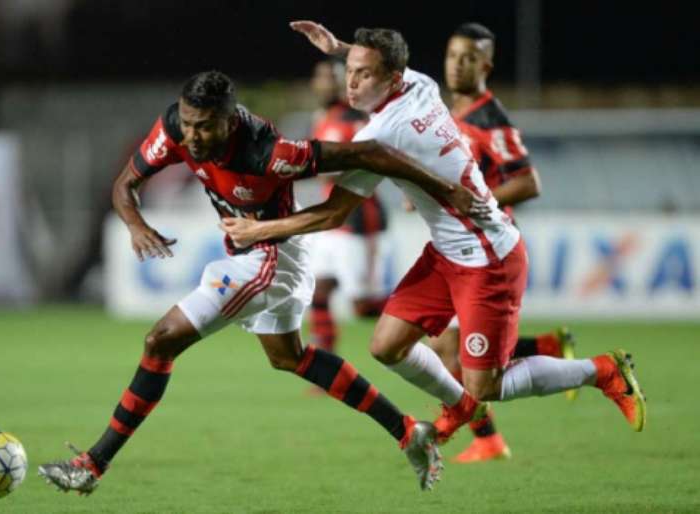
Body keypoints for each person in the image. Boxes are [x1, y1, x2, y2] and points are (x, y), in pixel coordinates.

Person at [37, 70, 486, 494]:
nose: (193, 138)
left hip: (271, 256)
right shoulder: (177, 126)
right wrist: (136, 225)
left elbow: (371, 155)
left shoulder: (269, 153)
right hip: (251, 253)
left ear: (230, 121)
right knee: (289, 358)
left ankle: (92, 466)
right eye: (189, 124)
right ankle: (408, 432)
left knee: (160, 340)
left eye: (206, 127)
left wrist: (446, 189)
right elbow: (124, 184)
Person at [221, 21, 646, 453]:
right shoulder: (420, 84)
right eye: (348, 70)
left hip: (488, 259)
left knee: (487, 385)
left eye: (362, 74)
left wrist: (260, 229)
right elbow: (381, 65)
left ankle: (602, 371)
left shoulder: (379, 137)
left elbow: (333, 213)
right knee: (387, 346)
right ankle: (459, 407)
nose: (350, 82)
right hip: (446, 254)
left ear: (390, 78)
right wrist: (339, 47)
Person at [425, 22, 578, 463]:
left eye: (468, 58)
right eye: (453, 56)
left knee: (449, 348)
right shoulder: (455, 115)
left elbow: (529, 182)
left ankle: (486, 435)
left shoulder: (491, 117)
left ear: (485, 65)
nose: (457, 65)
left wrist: (474, 201)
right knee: (446, 346)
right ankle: (541, 352)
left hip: (485, 252)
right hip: (459, 247)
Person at [307, 59, 390, 359]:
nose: (323, 83)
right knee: (317, 292)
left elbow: (353, 163)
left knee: (363, 307)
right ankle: (325, 368)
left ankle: (433, 321)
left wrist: (300, 166)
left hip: (358, 220)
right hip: (331, 220)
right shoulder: (325, 116)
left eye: (330, 78)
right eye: (319, 77)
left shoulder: (355, 119)